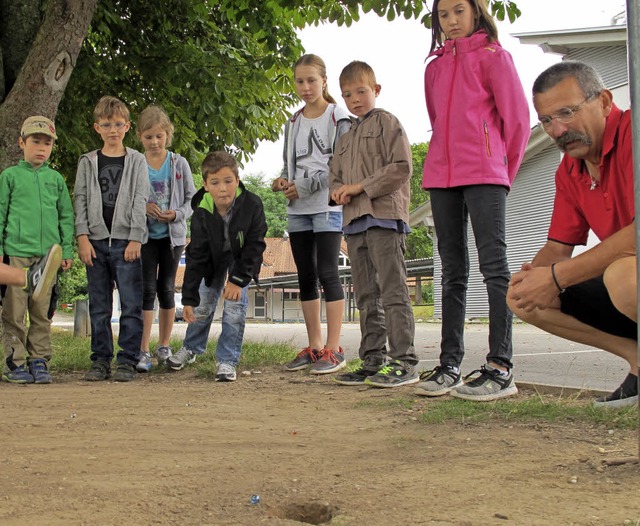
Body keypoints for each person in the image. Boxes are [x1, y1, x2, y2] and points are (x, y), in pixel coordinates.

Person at [416, 0, 530, 401]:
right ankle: (449, 365)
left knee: (494, 266)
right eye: (443, 15)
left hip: (485, 173)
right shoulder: (434, 66)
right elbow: (436, 121)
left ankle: (500, 367)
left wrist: (503, 173)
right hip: (441, 176)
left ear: (476, 12)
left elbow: (516, 122)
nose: (451, 21)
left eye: (458, 11)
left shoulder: (494, 58)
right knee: (452, 270)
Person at [508, 61, 637, 408]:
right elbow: (557, 247)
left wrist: (555, 275)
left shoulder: (634, 137)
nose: (557, 130)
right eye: (547, 120)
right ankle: (638, 362)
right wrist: (530, 281)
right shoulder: (570, 168)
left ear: (605, 102)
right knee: (522, 296)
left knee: (624, 277)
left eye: (566, 112)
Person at [329, 61, 419, 388]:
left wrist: (361, 187)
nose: (355, 99)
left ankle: (404, 361)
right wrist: (338, 191)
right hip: (354, 222)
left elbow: (401, 167)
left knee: (393, 291)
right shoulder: (345, 137)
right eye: (348, 94)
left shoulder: (388, 123)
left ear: (376, 90)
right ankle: (373, 359)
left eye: (361, 91)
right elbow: (335, 177)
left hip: (384, 217)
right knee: (366, 295)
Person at [272, 54, 352, 375]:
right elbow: (290, 165)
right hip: (298, 210)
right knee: (305, 276)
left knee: (328, 273)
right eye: (299, 81)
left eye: (311, 81)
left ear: (324, 81)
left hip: (327, 206)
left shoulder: (338, 116)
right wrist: (283, 181)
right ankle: (315, 347)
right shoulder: (292, 122)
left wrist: (304, 186)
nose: (305, 87)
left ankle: (334, 349)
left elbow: (340, 164)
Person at [169, 151, 266, 382]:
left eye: (228, 181)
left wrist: (238, 279)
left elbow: (255, 245)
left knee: (234, 308)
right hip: (213, 260)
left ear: (237, 180)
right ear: (205, 185)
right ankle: (191, 348)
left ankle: (227, 360)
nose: (223, 188)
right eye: (215, 183)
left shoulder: (252, 204)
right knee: (202, 305)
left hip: (241, 260)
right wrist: (189, 298)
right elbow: (197, 254)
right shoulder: (201, 210)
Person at [74, 96, 149, 382]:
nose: (113, 130)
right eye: (107, 125)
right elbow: (79, 199)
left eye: (118, 124)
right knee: (99, 306)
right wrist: (82, 237)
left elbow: (141, 198)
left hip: (125, 242)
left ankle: (128, 360)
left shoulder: (137, 160)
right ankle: (100, 360)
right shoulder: (88, 162)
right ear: (97, 128)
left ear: (127, 126)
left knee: (130, 305)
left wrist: (135, 239)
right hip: (95, 241)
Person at [0, 116, 74, 384]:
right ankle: (15, 362)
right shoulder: (9, 177)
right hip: (16, 256)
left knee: (42, 312)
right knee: (15, 313)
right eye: (35, 142)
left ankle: (39, 360)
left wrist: (66, 250)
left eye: (47, 143)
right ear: (22, 143)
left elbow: (66, 216)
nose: (41, 148)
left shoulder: (55, 180)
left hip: (48, 257)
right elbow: (0, 214)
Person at [135, 106, 196, 372]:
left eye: (159, 136)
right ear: (140, 137)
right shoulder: (135, 163)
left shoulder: (178, 163)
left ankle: (164, 345)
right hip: (146, 237)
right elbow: (129, 199)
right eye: (149, 137)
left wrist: (177, 214)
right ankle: (143, 349)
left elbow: (192, 199)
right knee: (147, 291)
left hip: (173, 238)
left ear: (167, 135)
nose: (154, 142)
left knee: (167, 290)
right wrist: (143, 208)